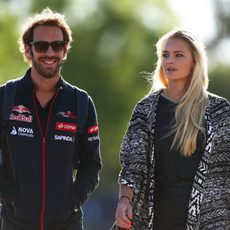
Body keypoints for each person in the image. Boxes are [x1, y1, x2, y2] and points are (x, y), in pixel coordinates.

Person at [112, 29, 230, 229]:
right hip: (156, 217)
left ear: (194, 61)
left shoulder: (219, 110)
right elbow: (132, 164)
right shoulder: (146, 109)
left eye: (178, 55)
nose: (170, 61)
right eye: (165, 55)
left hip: (208, 219)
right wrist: (125, 200)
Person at [0, 8, 102, 230]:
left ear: (65, 50)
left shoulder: (81, 102)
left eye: (57, 45)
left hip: (67, 223)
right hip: (15, 222)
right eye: (41, 46)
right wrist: (8, 196)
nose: (49, 52)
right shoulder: (5, 97)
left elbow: (92, 163)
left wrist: (73, 201)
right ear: (28, 50)